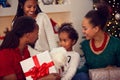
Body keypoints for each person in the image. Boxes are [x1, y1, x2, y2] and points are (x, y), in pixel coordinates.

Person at [72, 3, 120, 80]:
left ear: (96, 29)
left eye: (85, 28)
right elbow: (88, 66)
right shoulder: (85, 45)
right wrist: (71, 72)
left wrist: (114, 68)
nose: (83, 31)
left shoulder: (116, 44)